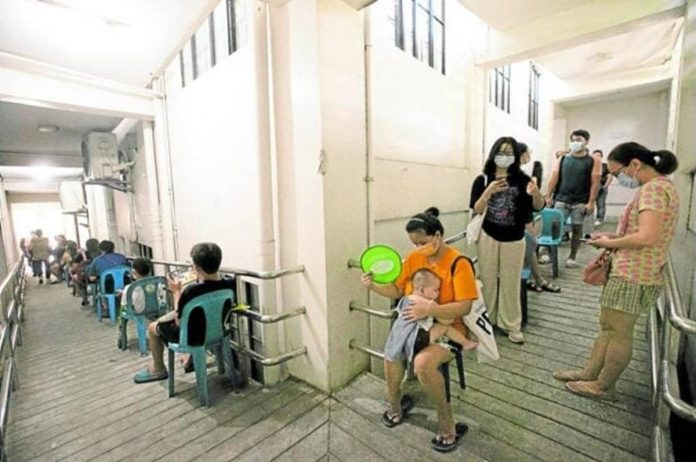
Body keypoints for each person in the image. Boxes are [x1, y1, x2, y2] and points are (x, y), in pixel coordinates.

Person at [554, 143, 679, 399]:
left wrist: (609, 243)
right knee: (608, 326)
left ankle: (604, 386)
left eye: (616, 172)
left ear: (634, 164)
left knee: (619, 332)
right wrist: (611, 235)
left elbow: (647, 236)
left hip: (634, 273)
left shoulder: (653, 191)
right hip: (634, 270)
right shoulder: (661, 187)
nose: (617, 179)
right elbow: (641, 232)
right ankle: (590, 373)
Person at [361, 208, 477, 452]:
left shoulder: (459, 263)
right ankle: (395, 406)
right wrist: (372, 286)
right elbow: (396, 291)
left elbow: (465, 307)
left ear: (438, 236)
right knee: (391, 355)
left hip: (448, 326)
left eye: (422, 243)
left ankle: (447, 424)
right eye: (414, 244)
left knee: (423, 364)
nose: (417, 249)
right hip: (414, 324)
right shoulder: (414, 259)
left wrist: (431, 310)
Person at [469, 137, 545, 343]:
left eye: (509, 153)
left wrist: (536, 192)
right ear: (494, 154)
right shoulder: (482, 179)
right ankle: (488, 321)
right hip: (488, 236)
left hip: (515, 237)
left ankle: (511, 324)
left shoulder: (523, 180)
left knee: (512, 282)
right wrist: (488, 192)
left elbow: (539, 206)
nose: (505, 157)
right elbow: (476, 209)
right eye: (501, 152)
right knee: (487, 280)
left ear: (516, 157)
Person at [134, 242, 235, 384]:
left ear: (197, 267)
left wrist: (176, 292)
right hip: (219, 331)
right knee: (196, 323)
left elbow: (180, 321)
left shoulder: (191, 291)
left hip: (193, 336)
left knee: (152, 327)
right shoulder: (230, 283)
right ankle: (189, 359)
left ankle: (158, 368)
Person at [384, 269, 478, 364]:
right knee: (445, 328)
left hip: (404, 340)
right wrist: (441, 313)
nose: (438, 293)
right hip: (417, 339)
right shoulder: (428, 303)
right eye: (435, 290)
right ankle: (466, 343)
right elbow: (446, 321)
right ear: (422, 290)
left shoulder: (406, 299)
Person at [545, 129, 602, 268]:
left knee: (577, 229)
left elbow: (595, 183)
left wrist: (591, 202)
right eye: (573, 139)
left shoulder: (593, 160)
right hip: (561, 199)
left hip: (580, 201)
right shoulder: (563, 158)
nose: (575, 142)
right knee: (554, 227)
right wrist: (548, 195)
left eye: (579, 139)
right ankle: (550, 254)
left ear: (586, 141)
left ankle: (572, 257)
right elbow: (554, 177)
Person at [518, 143, 561, 293]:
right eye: (528, 152)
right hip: (518, 219)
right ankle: (535, 279)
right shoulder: (517, 175)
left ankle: (534, 279)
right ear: (522, 154)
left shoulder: (526, 175)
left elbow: (536, 202)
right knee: (528, 249)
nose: (529, 155)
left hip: (526, 216)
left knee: (529, 248)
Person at [72, 238, 100, 305]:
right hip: (101, 276)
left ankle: (85, 299)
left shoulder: (82, 254)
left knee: (75, 278)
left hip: (87, 278)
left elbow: (74, 268)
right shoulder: (101, 253)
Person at [593, 149, 612, 226]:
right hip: (591, 188)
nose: (597, 157)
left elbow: (610, 176)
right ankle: (587, 219)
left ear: (601, 157)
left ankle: (599, 219)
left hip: (601, 187)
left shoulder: (605, 166)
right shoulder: (590, 165)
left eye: (599, 156)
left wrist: (605, 186)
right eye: (595, 155)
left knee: (600, 204)